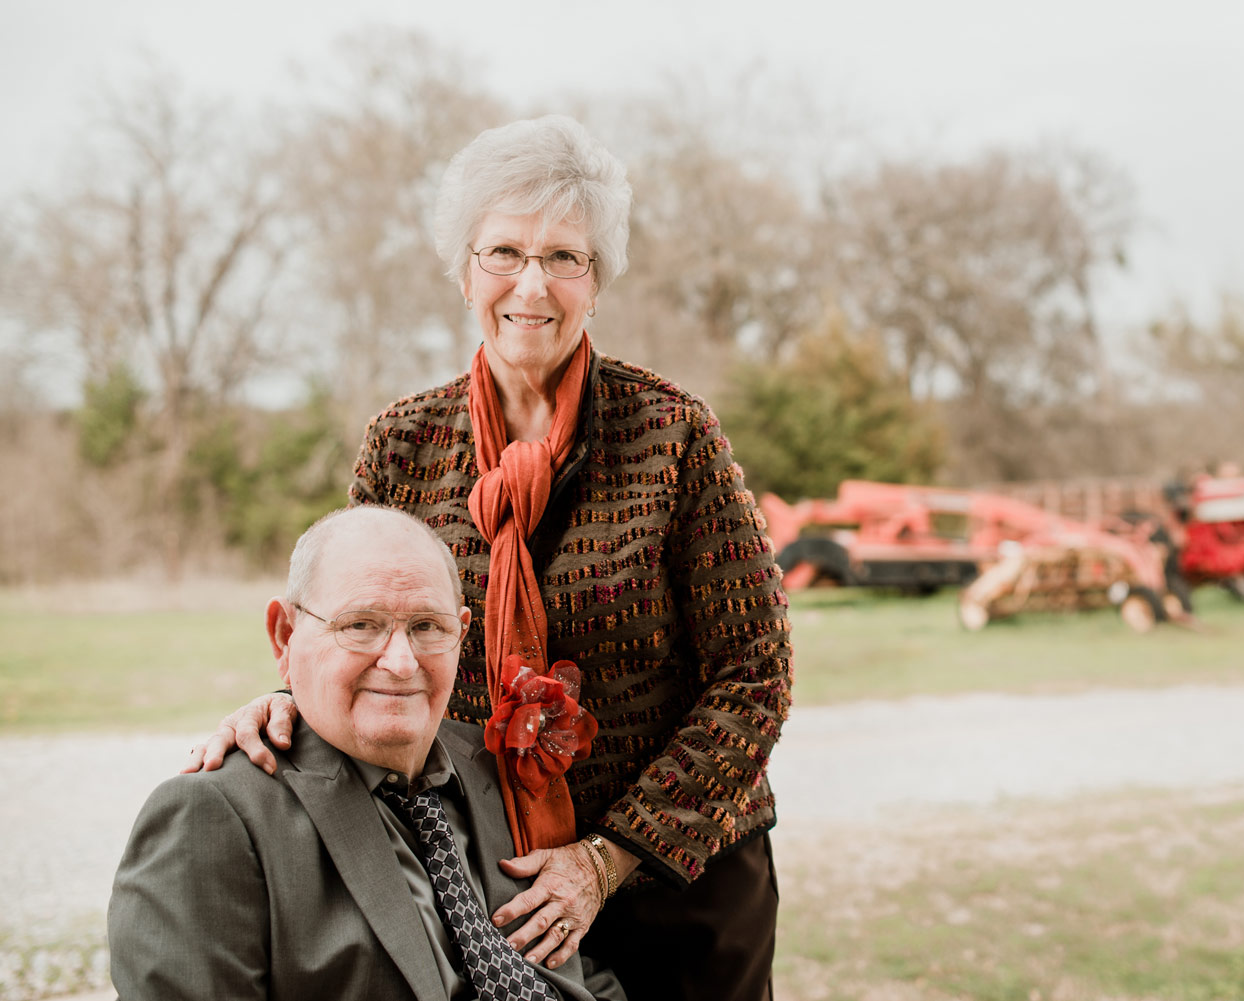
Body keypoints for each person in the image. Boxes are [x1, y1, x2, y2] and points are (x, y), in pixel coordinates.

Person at [187, 115, 792, 1001]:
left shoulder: (672, 434)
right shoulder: (404, 443)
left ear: (598, 279)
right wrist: (286, 699)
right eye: (504, 251)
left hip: (681, 875)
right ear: (464, 268)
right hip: (486, 866)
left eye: (564, 258)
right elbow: (357, 625)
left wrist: (608, 857)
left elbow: (756, 672)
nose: (531, 284)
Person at [110, 506, 623, 1000]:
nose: (401, 663)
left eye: (427, 626)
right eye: (360, 625)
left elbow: (574, 974)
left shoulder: (496, 765)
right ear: (285, 636)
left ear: (461, 634)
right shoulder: (212, 818)